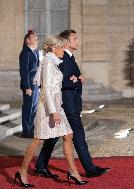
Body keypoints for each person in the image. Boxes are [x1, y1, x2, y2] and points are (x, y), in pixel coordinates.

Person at [35, 30, 110, 178]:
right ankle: (90, 169)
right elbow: (59, 82)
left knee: (55, 135)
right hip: (67, 103)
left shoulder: (69, 57)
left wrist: (77, 78)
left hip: (71, 102)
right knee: (78, 134)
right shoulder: (62, 58)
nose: (77, 41)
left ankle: (41, 165)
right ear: (67, 42)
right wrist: (75, 80)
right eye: (75, 39)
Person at [14, 36, 88, 188]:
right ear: (54, 49)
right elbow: (46, 89)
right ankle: (22, 172)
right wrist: (53, 111)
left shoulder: (54, 62)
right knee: (38, 140)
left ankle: (73, 171)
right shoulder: (48, 62)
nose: (64, 50)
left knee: (68, 135)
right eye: (62, 47)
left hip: (56, 106)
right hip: (48, 108)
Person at [19, 30, 40, 138]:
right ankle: (26, 132)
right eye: (34, 38)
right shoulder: (25, 53)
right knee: (28, 108)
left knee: (34, 109)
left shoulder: (35, 52)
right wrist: (27, 87)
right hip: (29, 85)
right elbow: (24, 72)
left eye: (36, 38)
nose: (36, 39)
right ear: (28, 40)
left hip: (36, 84)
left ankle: (32, 129)